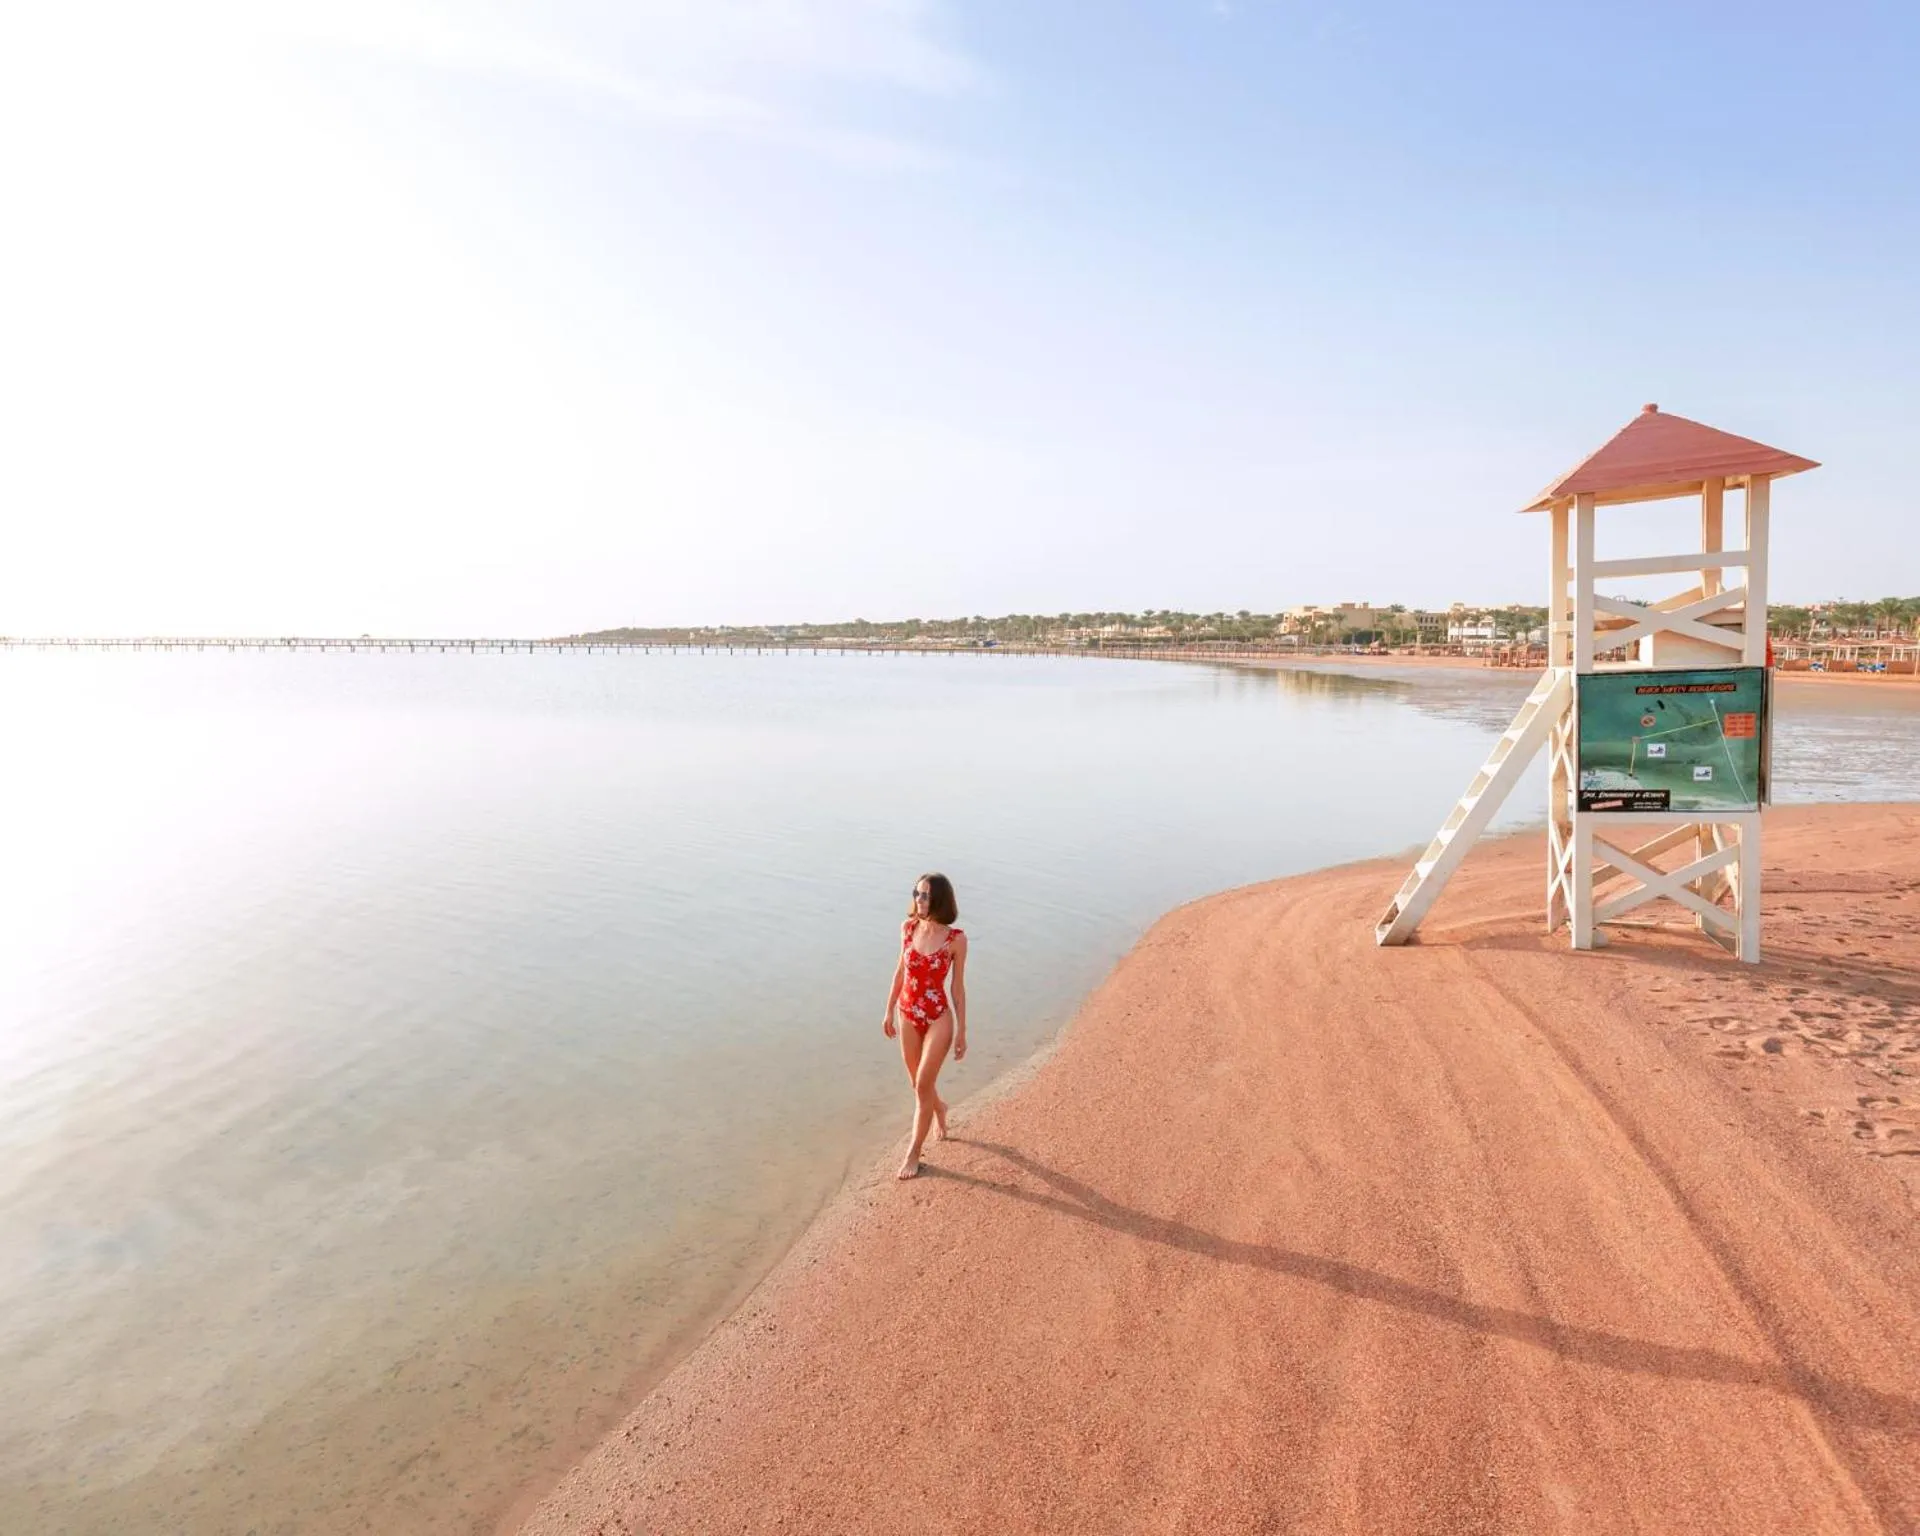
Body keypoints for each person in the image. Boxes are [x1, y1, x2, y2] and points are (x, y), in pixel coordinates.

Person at [882, 872, 968, 1180]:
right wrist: (888, 1010)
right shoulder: (907, 928)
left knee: (921, 1086)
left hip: (937, 1019)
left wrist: (962, 1030)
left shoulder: (955, 939)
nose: (919, 900)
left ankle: (913, 1153)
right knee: (918, 1086)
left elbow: (957, 988)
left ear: (939, 900)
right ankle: (940, 1108)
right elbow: (900, 971)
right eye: (916, 893)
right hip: (908, 1015)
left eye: (925, 895)